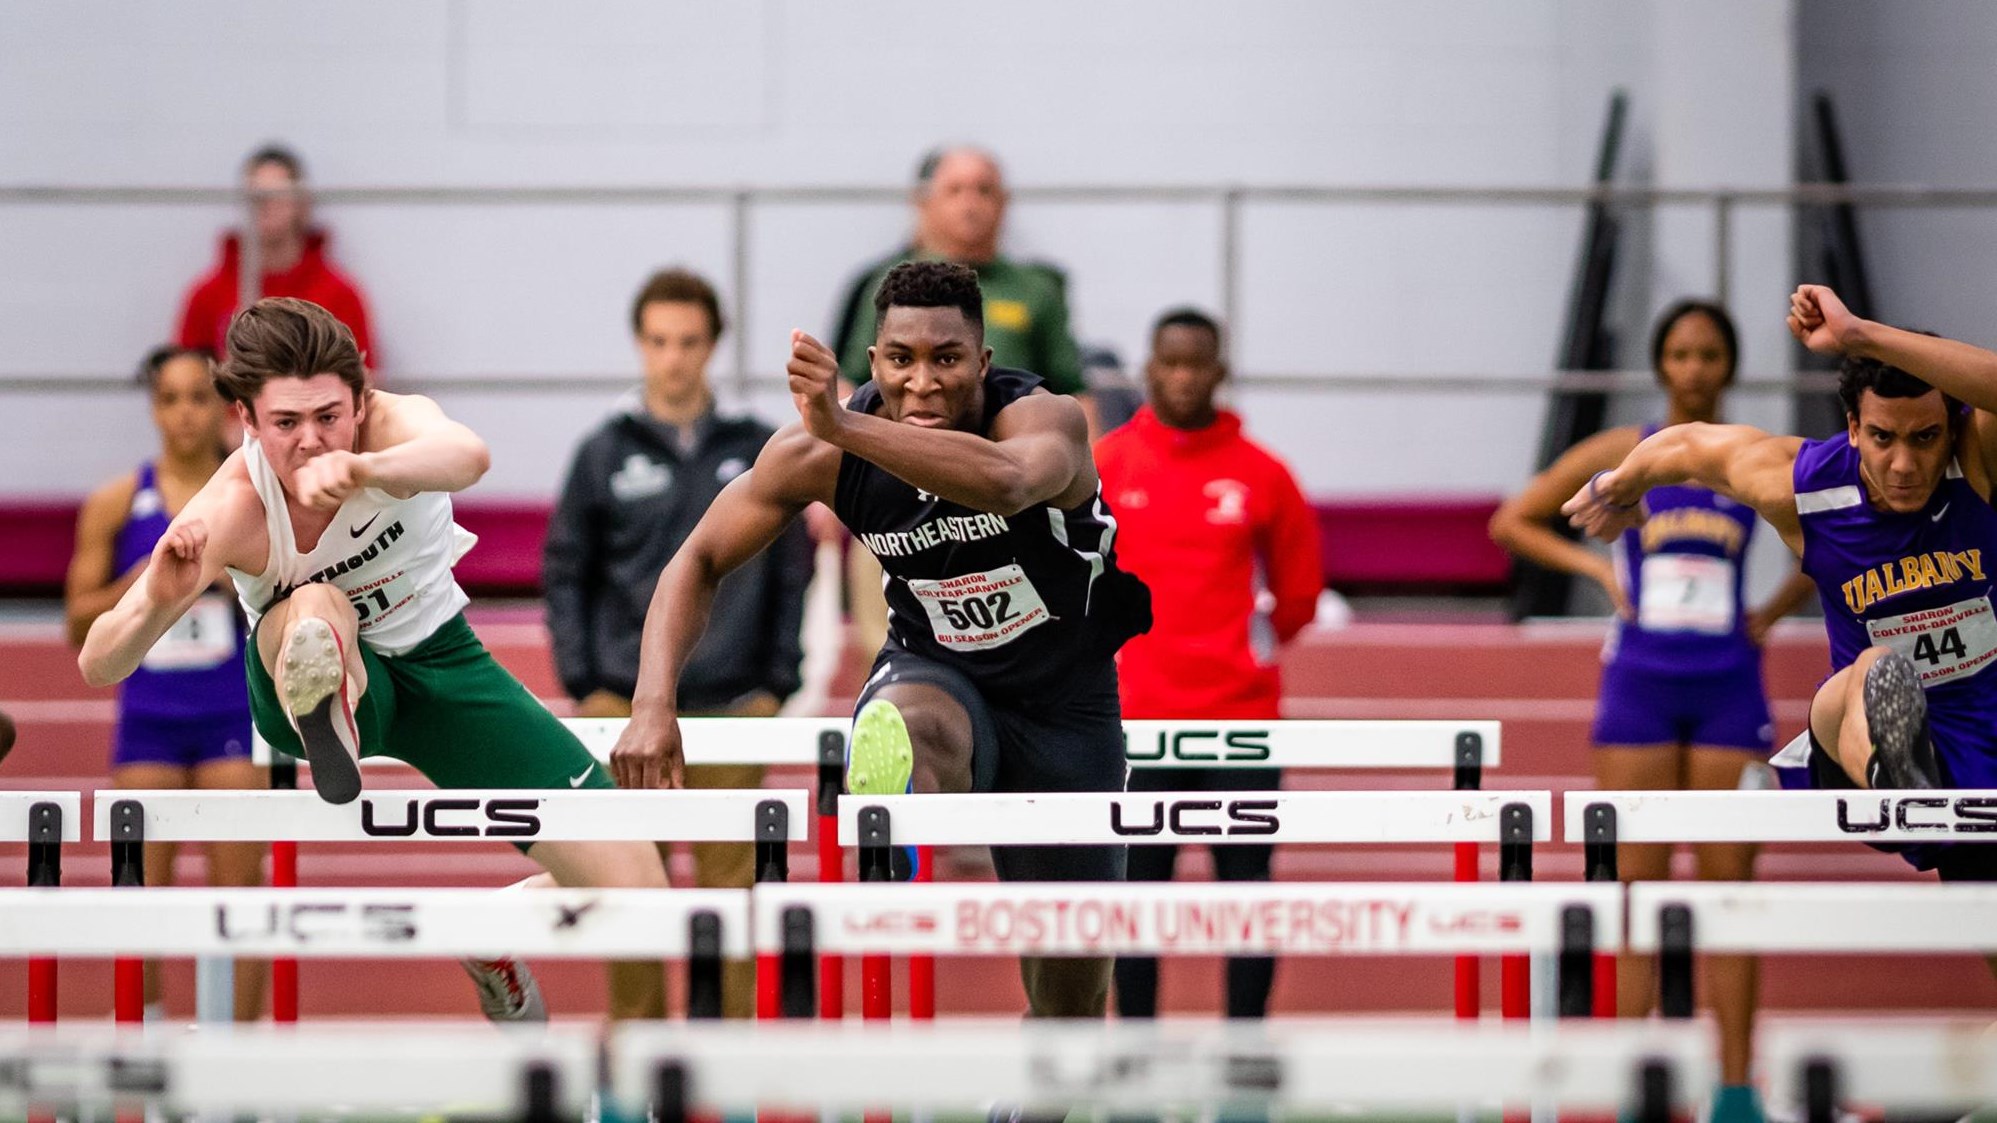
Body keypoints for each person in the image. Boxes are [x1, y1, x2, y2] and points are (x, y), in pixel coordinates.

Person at [78, 298, 668, 1022]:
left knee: (643, 887)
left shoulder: (391, 429)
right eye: (286, 424)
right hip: (302, 679)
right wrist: (158, 599)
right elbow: (98, 661)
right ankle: (334, 708)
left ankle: (487, 930)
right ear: (248, 421)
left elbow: (469, 456)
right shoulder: (233, 506)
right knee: (314, 607)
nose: (313, 441)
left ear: (362, 398)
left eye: (330, 415)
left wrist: (369, 467)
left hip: (443, 666)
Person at [611, 261, 1151, 1018]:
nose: (922, 382)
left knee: (1073, 990)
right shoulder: (821, 451)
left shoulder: (1041, 419)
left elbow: (1005, 482)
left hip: (1066, 700)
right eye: (901, 359)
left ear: (984, 363)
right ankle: (895, 807)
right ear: (874, 362)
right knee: (912, 723)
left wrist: (847, 424)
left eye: (947, 359)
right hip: (936, 668)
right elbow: (697, 558)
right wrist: (652, 700)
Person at [1494, 301, 1813, 1119]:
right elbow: (1514, 519)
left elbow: (1841, 534)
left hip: (1727, 682)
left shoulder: (1753, 454)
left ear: (1729, 365)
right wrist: (1599, 574)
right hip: (1638, 680)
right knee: (1634, 893)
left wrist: (1775, 607)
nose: (1694, 368)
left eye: (1709, 353)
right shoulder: (1622, 449)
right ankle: (1635, 1085)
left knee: (1727, 892)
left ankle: (1736, 1091)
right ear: (1659, 364)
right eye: (1679, 352)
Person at [1567, 283, 1997, 835]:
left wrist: (1859, 335)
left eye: (1926, 438)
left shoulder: (1977, 465)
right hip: (1859, 736)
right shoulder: (1807, 485)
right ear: (1852, 429)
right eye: (1883, 437)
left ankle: (1920, 784)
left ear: (1954, 428)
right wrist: (1619, 485)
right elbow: (1687, 446)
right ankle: (1896, 780)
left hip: (1982, 728)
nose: (1904, 464)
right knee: (1869, 671)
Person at [544, 268, 812, 1017]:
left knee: (733, 897)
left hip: (733, 707)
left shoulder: (759, 447)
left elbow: (793, 570)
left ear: (713, 345)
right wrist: (585, 683)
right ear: (640, 343)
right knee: (626, 888)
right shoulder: (601, 452)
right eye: (660, 341)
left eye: (689, 341)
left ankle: (725, 1067)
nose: (673, 357)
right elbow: (564, 572)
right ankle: (636, 1061)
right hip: (624, 712)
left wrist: (775, 685)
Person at [1095, 308, 1322, 1021]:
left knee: (1246, 892)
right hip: (1132, 719)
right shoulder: (1106, 464)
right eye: (1170, 363)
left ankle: (1246, 1050)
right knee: (1134, 898)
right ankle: (1131, 1053)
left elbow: (1300, 592)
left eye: (1198, 364)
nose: (1183, 377)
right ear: (1148, 368)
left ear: (1219, 372)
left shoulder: (1262, 473)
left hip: (1239, 719)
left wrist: (1238, 651)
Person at [830, 147, 1094, 664]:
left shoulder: (1036, 289)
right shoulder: (884, 285)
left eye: (985, 189)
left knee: (1031, 643)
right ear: (922, 202)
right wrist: (840, 474)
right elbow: (848, 385)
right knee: (885, 646)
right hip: (896, 500)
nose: (971, 204)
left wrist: (1091, 480)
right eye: (956, 190)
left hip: (1013, 498)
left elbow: (1072, 392)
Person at [64, 346, 265, 1021]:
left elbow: (284, 595)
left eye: (199, 397)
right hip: (149, 718)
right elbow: (76, 620)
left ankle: (241, 1060)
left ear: (223, 407)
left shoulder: (248, 498)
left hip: (230, 712)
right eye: (171, 398)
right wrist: (152, 581)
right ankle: (147, 1050)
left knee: (241, 897)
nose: (185, 412)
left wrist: (228, 571)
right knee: (140, 891)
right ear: (154, 408)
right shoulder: (117, 501)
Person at [176, 145, 374, 364]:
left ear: (301, 203)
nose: (264, 204)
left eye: (277, 194)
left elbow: (362, 382)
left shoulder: (340, 295)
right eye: (255, 195)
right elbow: (186, 382)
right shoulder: (207, 296)